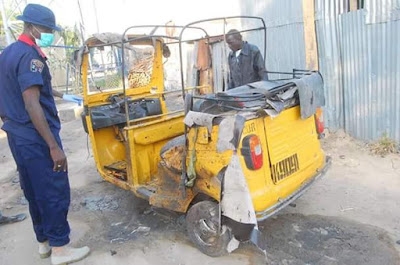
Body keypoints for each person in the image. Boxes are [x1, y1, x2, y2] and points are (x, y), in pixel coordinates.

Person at [0, 4, 89, 265]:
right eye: (47, 29)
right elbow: (31, 102)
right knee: (53, 189)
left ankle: (44, 243)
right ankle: (60, 248)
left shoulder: (7, 54)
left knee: (33, 189)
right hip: (37, 138)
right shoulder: (31, 57)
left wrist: (61, 95)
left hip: (18, 136)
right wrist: (53, 146)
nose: (49, 33)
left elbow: (18, 91)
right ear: (33, 27)